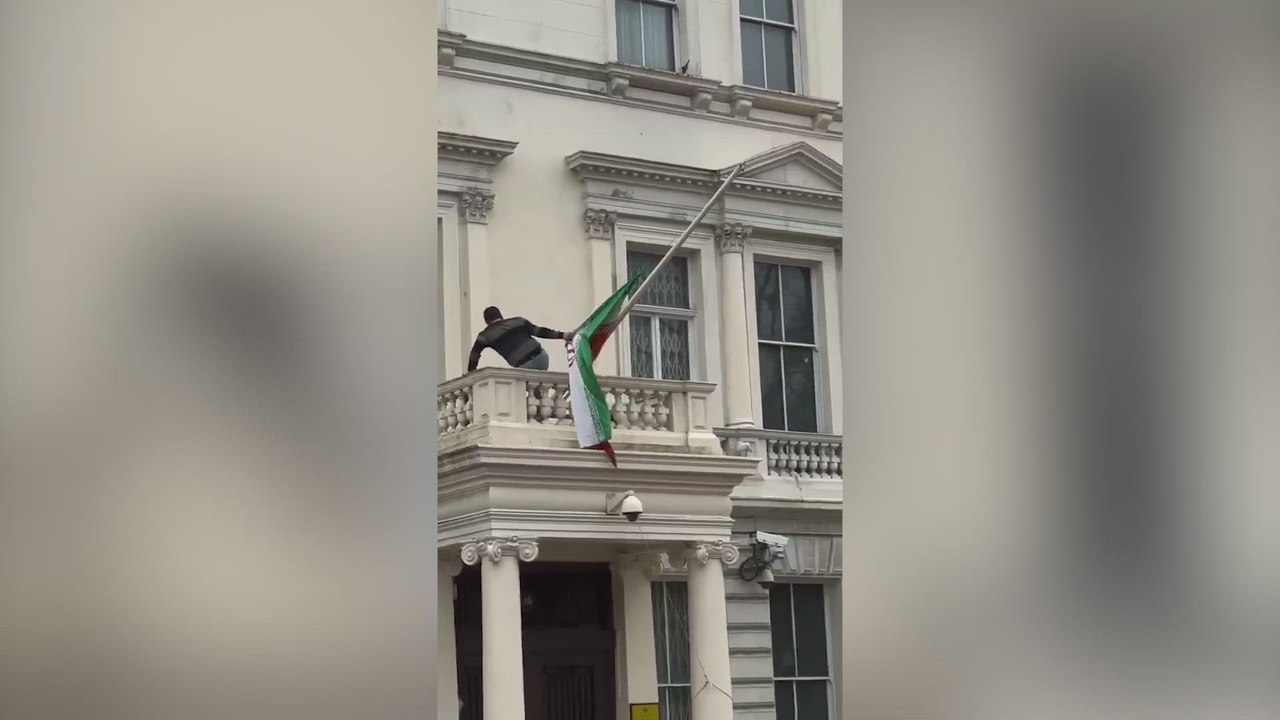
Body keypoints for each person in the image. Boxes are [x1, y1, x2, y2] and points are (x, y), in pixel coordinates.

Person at [466, 306, 572, 373]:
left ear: (487, 321)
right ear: (501, 316)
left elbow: (474, 356)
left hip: (524, 366)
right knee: (534, 387)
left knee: (518, 389)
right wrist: (562, 335)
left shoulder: (485, 335)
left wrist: (470, 373)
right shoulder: (518, 321)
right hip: (542, 358)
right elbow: (540, 331)